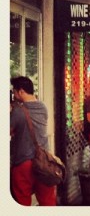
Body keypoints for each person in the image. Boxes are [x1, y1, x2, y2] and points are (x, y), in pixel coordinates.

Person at [10, 76, 56, 206]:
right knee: (47, 200)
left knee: (22, 201)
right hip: (44, 162)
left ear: (21, 91)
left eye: (14, 91)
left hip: (24, 163)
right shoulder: (43, 107)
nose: (13, 94)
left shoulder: (18, 112)